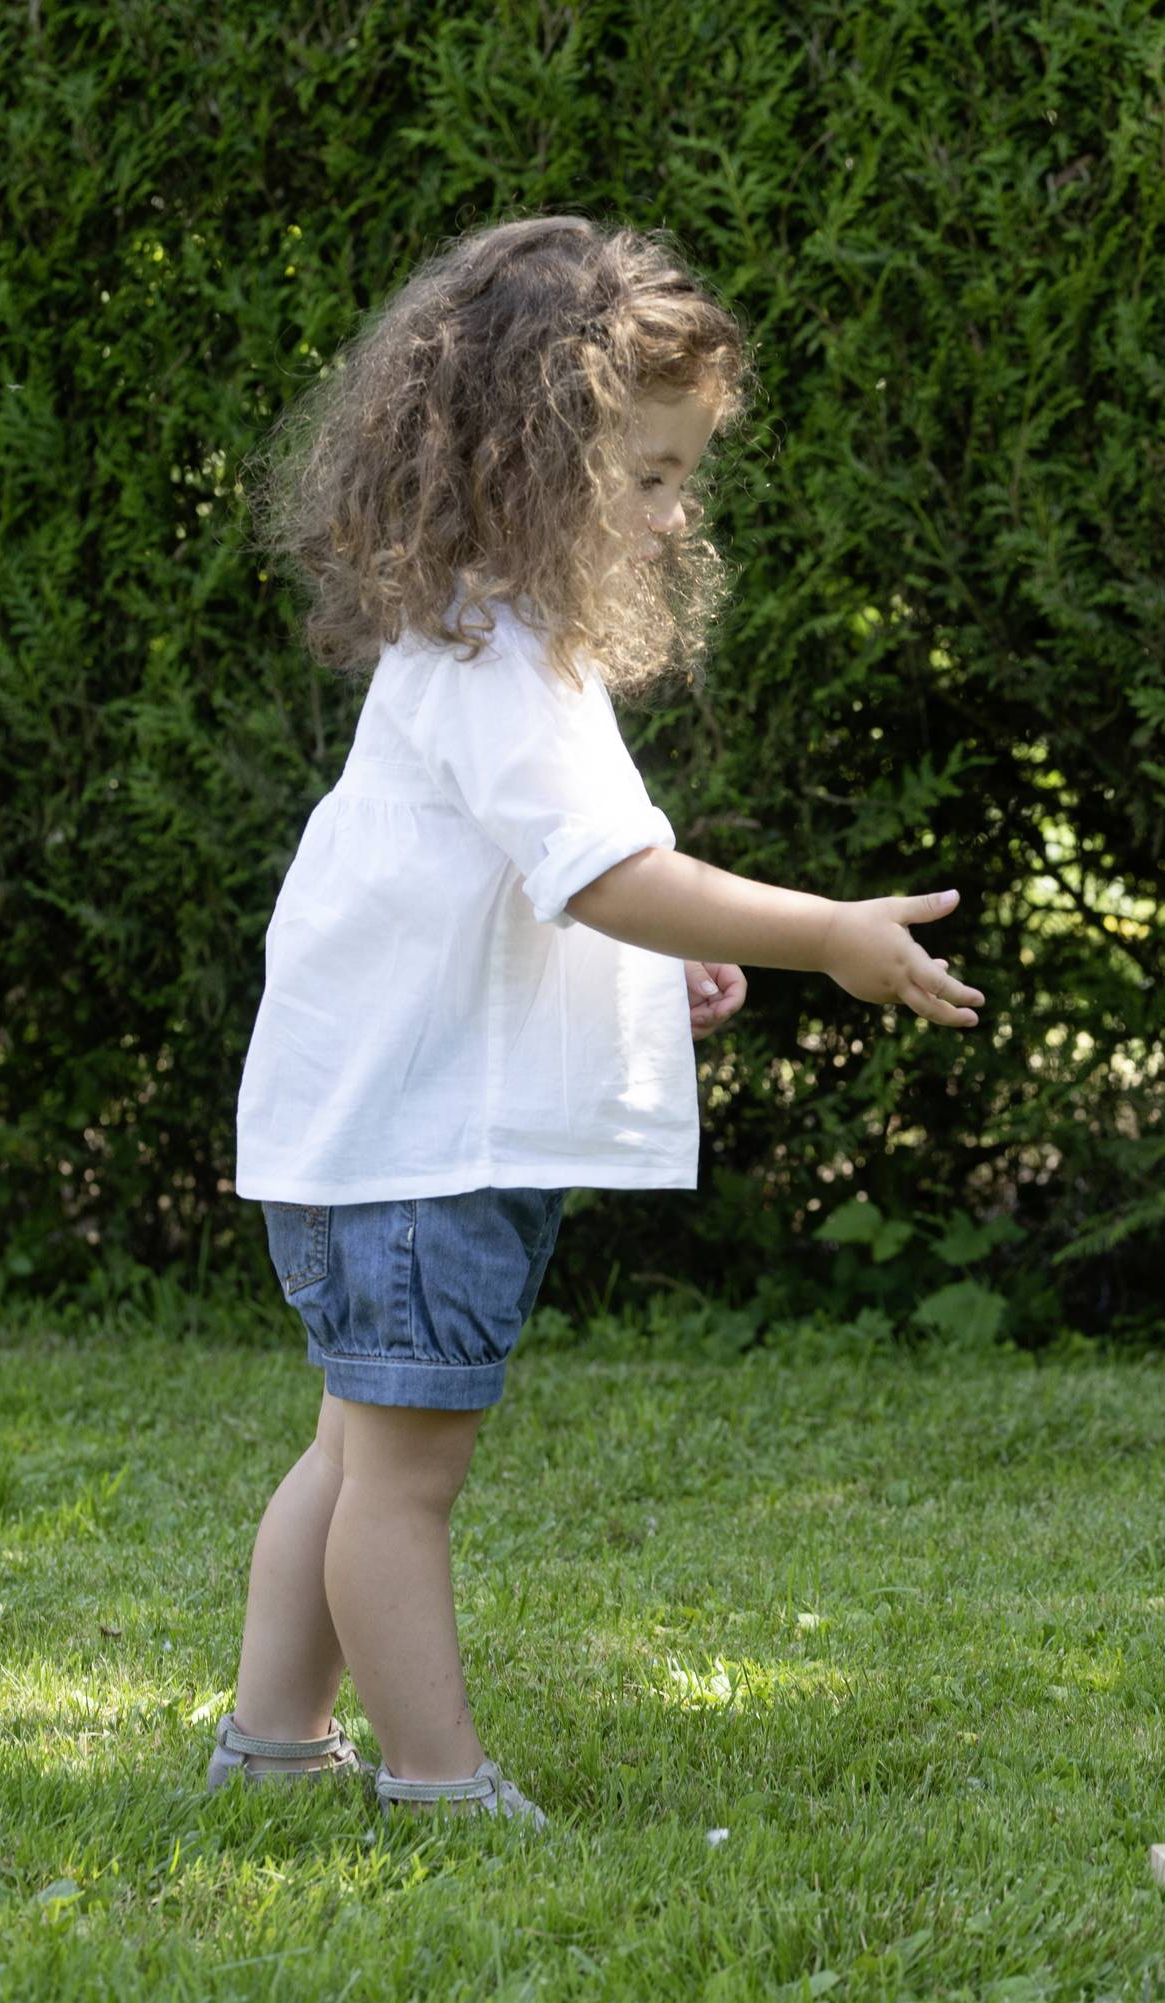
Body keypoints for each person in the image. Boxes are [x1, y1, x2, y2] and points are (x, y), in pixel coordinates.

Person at [208, 214, 987, 1823]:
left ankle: (273, 1748)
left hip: (382, 1122)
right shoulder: (495, 655)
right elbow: (615, 875)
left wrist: (655, 960)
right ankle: (436, 1781)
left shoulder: (494, 643)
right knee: (403, 1477)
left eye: (680, 472)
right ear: (526, 462)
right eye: (645, 475)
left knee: (358, 1447)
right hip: (410, 1142)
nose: (672, 509)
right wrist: (818, 936)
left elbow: (553, 886)